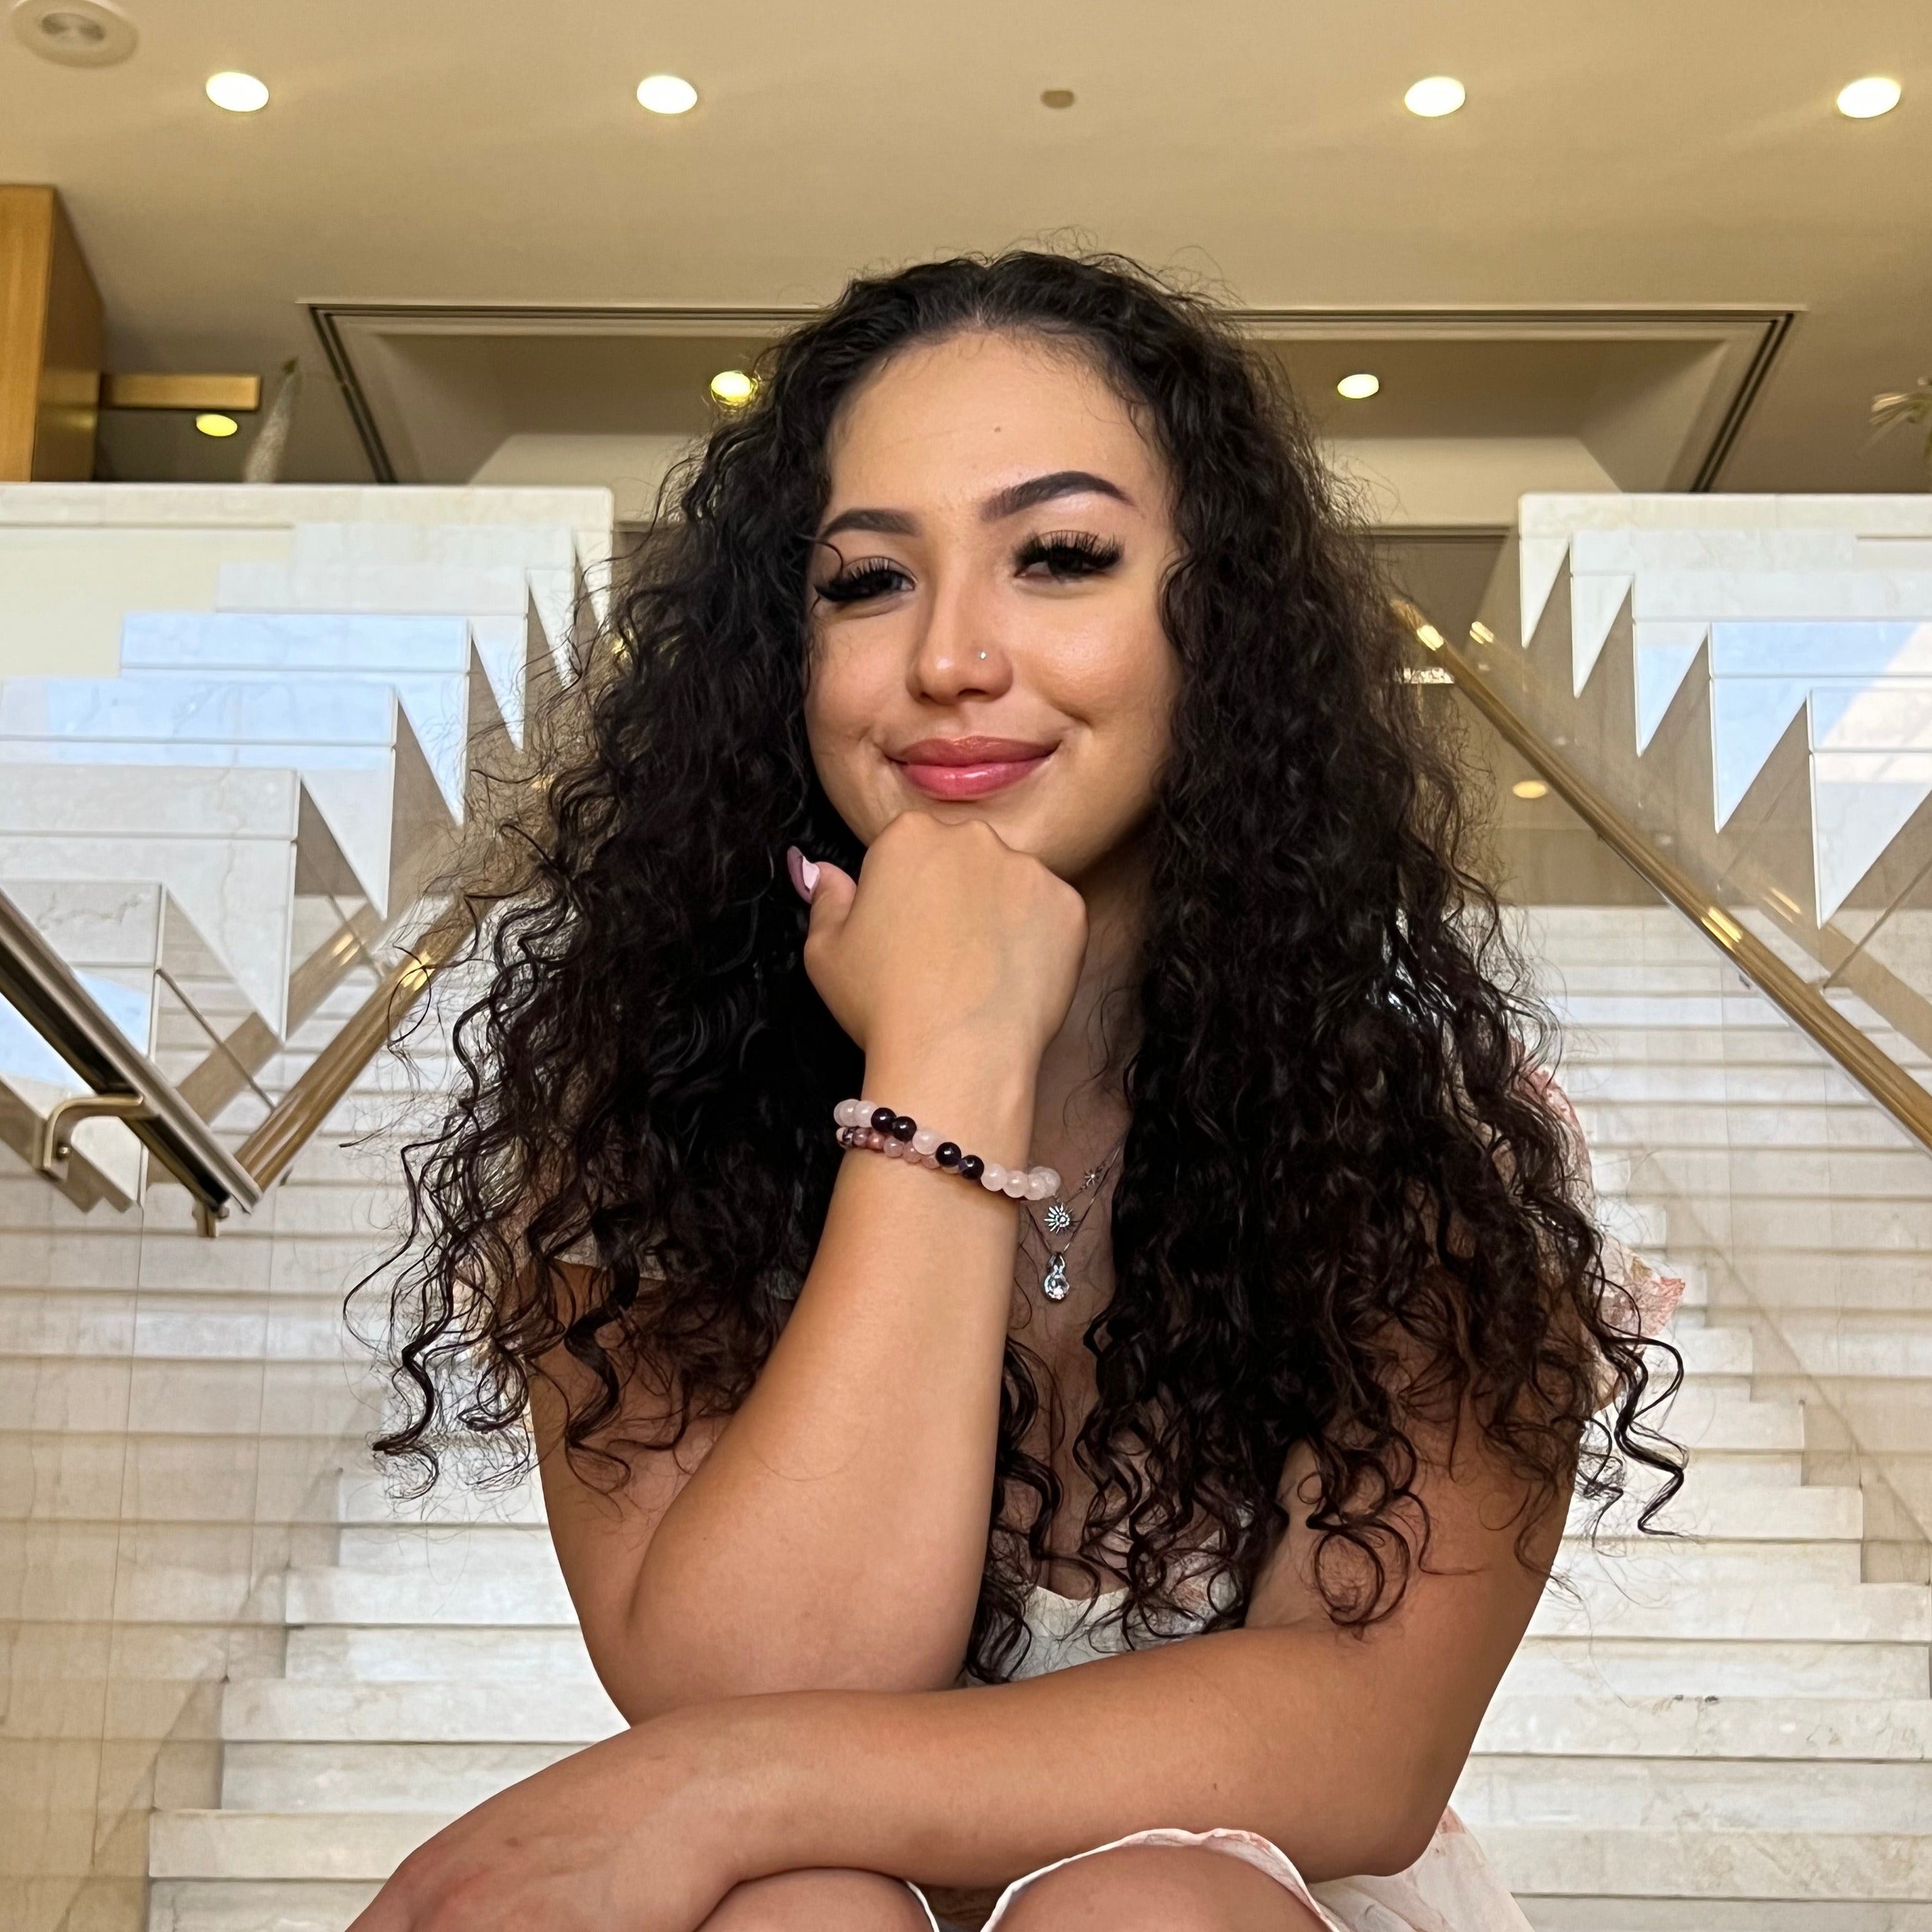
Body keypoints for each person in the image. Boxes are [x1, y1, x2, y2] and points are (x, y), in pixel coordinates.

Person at [349, 251, 1680, 1932]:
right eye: (865, 582)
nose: (954, 658)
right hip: (821, 1891)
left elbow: (1368, 1742)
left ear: (1220, 631)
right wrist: (949, 1068)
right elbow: (754, 1676)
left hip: (1241, 1895)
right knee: (800, 1911)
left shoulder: (1423, 1150)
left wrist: (724, 1783)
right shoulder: (645, 1137)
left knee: (1140, 1913)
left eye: (1059, 557)